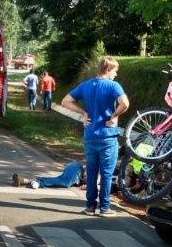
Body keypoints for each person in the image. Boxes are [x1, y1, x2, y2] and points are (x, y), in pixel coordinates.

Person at [61, 56, 129, 217]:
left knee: (91, 172)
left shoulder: (85, 85)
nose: (116, 75)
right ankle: (104, 207)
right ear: (108, 70)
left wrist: (83, 113)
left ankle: (90, 206)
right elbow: (125, 104)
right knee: (106, 173)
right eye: (115, 71)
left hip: (90, 135)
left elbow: (65, 101)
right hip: (107, 137)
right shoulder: (113, 86)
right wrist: (114, 115)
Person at [12, 161, 84, 189]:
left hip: (77, 171)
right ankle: (38, 183)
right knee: (66, 182)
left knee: (60, 180)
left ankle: (24, 180)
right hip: (77, 168)